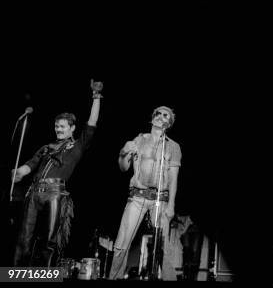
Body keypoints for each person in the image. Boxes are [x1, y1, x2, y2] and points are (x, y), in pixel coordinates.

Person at [12, 79, 103, 266]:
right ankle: (16, 274)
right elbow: (32, 163)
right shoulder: (47, 147)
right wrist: (20, 171)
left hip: (55, 194)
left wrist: (96, 97)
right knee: (24, 238)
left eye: (62, 127)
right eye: (56, 126)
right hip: (34, 193)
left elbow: (92, 123)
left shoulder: (77, 146)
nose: (58, 129)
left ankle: (46, 274)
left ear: (72, 128)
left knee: (50, 239)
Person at [108, 106, 182, 280]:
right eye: (158, 114)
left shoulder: (174, 147)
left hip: (161, 199)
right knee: (122, 242)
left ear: (169, 123)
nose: (161, 117)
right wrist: (123, 152)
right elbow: (123, 167)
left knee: (164, 247)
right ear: (152, 118)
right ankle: (114, 277)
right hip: (137, 197)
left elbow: (173, 178)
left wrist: (171, 205)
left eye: (166, 116)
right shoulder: (139, 140)